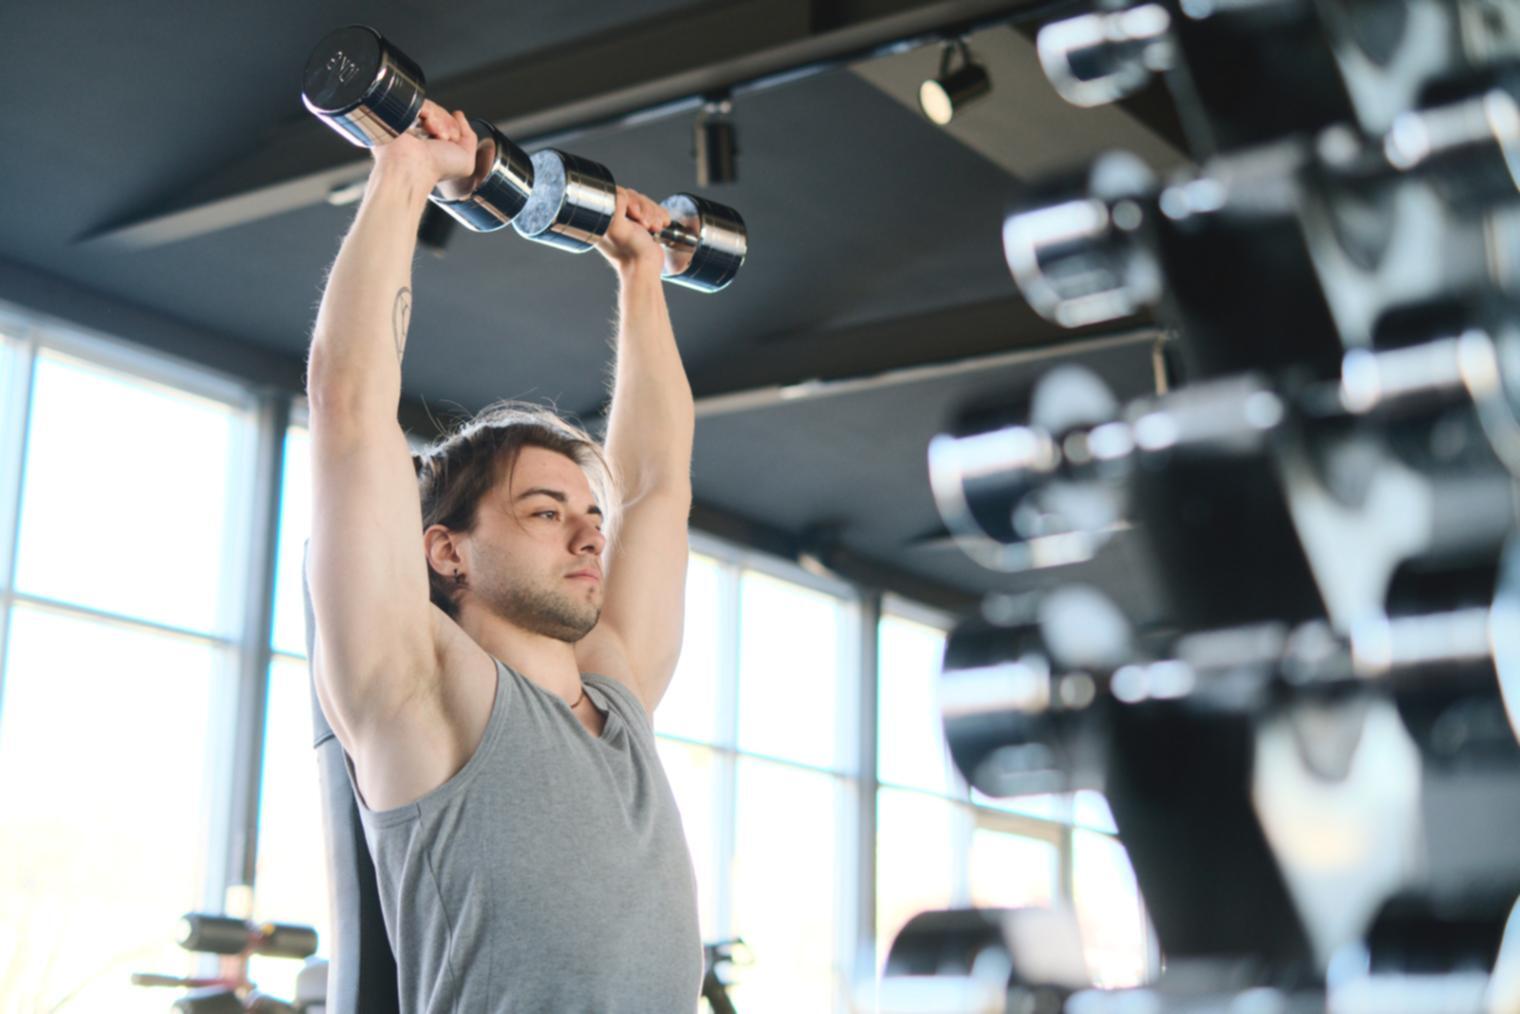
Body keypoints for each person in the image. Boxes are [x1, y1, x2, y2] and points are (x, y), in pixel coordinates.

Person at [304, 100, 701, 1011]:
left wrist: (641, 271)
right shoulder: (420, 691)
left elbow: (656, 487)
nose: (589, 532)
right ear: (446, 550)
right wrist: (405, 171)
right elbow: (350, 409)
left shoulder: (618, 690)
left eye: (587, 513)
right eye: (544, 511)